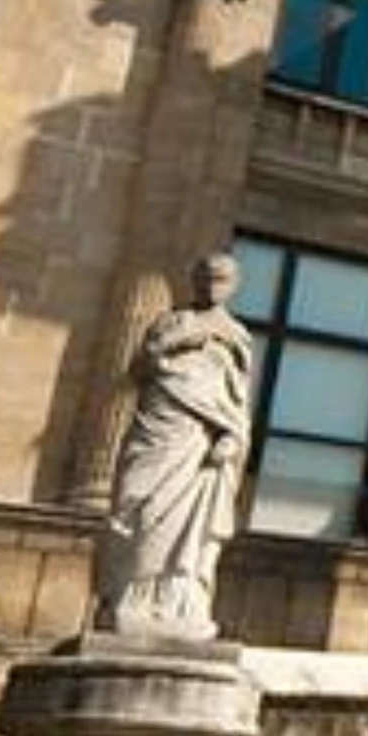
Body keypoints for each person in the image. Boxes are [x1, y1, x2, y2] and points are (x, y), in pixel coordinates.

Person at [98, 253, 254, 638]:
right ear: (194, 279)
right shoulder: (169, 322)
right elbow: (137, 371)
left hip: (202, 442)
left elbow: (237, 404)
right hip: (160, 431)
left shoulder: (237, 336)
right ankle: (129, 597)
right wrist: (176, 341)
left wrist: (233, 439)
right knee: (138, 507)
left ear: (233, 285)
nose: (212, 285)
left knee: (190, 528)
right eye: (205, 277)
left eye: (220, 279)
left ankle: (179, 601)